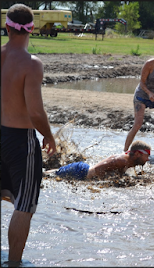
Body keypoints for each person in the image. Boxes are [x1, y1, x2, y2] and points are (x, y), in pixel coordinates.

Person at [1, 4, 57, 264]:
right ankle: (13, 264)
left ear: (7, 27)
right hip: (19, 140)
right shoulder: (31, 64)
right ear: (32, 29)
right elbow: (35, 112)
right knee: (23, 207)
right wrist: (49, 135)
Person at [45, 140, 151, 180]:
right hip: (81, 172)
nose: (148, 159)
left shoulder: (129, 160)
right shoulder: (121, 160)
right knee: (51, 175)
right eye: (147, 155)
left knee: (54, 173)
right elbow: (99, 169)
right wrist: (105, 182)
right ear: (137, 154)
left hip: (81, 170)